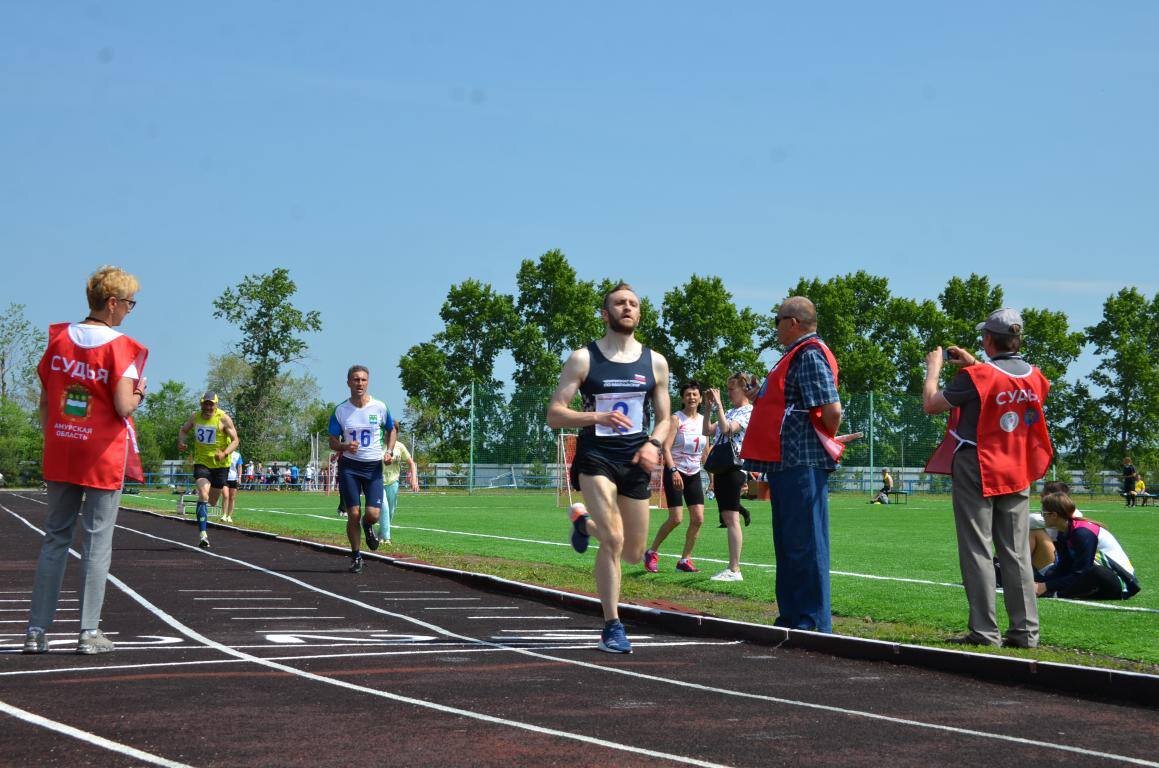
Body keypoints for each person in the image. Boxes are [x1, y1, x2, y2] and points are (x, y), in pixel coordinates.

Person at [24, 265, 148, 655]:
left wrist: (56, 436)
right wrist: (141, 394)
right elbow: (123, 405)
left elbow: (45, 400)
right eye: (129, 303)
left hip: (62, 447)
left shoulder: (58, 338)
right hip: (101, 455)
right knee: (96, 543)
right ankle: (88, 632)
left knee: (55, 538)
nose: (130, 310)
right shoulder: (121, 346)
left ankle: (36, 631)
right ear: (112, 303)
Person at [546, 282, 671, 654]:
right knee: (613, 540)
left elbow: (665, 420)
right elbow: (554, 415)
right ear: (605, 313)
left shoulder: (655, 362)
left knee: (632, 552)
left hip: (636, 459)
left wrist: (653, 445)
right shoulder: (584, 359)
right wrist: (595, 415)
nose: (627, 307)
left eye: (633, 303)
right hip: (596, 457)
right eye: (619, 303)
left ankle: (582, 523)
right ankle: (612, 626)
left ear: (639, 313)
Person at [922, 308, 1052, 648]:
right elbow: (1002, 394)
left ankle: (984, 631)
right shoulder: (1036, 376)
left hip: (977, 463)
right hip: (1017, 467)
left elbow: (932, 405)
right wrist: (974, 365)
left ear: (989, 340)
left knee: (977, 548)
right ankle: (1026, 633)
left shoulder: (976, 376)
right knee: (1017, 552)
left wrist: (932, 370)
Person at [742, 297, 855, 633]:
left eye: (777, 320)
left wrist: (826, 439)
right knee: (790, 542)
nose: (775, 327)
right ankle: (791, 617)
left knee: (806, 542)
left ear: (792, 322)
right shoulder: (795, 356)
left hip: (802, 461)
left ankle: (813, 621)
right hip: (786, 462)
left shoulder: (808, 353)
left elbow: (831, 409)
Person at [328, 365, 396, 573]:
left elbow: (391, 430)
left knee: (373, 515)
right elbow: (332, 441)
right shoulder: (341, 410)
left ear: (368, 382)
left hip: (373, 467)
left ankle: (368, 527)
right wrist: (344, 446)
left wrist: (389, 452)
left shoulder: (379, 407)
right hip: (350, 467)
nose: (360, 383)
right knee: (354, 515)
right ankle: (356, 556)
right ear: (348, 382)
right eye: (356, 380)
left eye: (363, 380)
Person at [645, 380, 708, 573]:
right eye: (688, 394)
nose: (691, 398)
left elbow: (706, 450)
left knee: (698, 519)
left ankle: (684, 560)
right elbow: (665, 447)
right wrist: (673, 471)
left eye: (695, 394)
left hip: (694, 473)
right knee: (676, 519)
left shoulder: (704, 420)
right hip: (676, 472)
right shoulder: (676, 419)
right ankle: (651, 552)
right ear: (682, 398)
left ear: (700, 398)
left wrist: (712, 477)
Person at [1036, 492, 1140, 600]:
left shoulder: (1082, 533)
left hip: (1120, 583)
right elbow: (1064, 565)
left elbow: (1081, 571)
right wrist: (1040, 582)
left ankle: (1059, 594)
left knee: (1095, 572)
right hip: (1090, 575)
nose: (1042, 517)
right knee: (1047, 576)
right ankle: (1059, 591)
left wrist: (1046, 586)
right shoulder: (1063, 532)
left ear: (1054, 515)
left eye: (1043, 513)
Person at [704, 374, 757, 581]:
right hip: (723, 469)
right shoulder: (733, 410)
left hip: (734, 468)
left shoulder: (748, 410)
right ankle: (732, 568)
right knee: (728, 517)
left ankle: (735, 569)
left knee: (732, 518)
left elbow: (727, 429)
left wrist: (718, 405)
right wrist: (709, 407)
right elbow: (707, 430)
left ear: (744, 390)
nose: (728, 393)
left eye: (732, 388)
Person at [177, 392, 240, 549]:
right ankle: (203, 534)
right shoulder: (194, 417)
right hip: (202, 463)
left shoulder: (224, 418)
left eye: (211, 404)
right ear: (201, 404)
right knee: (203, 495)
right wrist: (181, 442)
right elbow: (183, 430)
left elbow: (235, 441)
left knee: (212, 501)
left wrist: (225, 453)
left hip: (220, 465)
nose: (208, 407)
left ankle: (204, 517)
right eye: (205, 404)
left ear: (216, 405)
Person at [379, 439, 420, 544]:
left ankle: (381, 534)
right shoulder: (378, 444)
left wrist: (414, 479)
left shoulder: (400, 446)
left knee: (391, 510)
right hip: (378, 481)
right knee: (384, 508)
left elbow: (412, 463)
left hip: (393, 482)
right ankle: (387, 538)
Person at [220, 449, 242, 523]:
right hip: (224, 477)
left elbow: (239, 466)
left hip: (234, 478)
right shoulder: (224, 452)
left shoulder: (238, 455)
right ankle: (224, 515)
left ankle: (229, 516)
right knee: (225, 496)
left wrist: (239, 477)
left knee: (232, 498)